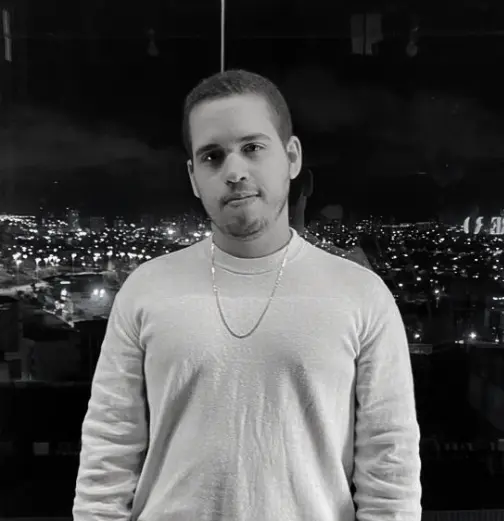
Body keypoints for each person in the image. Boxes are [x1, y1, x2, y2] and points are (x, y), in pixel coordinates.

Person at [73, 69, 421, 521]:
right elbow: (108, 453)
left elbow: (390, 470)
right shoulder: (146, 289)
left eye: (253, 148)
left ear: (291, 157)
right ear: (194, 177)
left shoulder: (362, 295)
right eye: (212, 156)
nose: (234, 172)